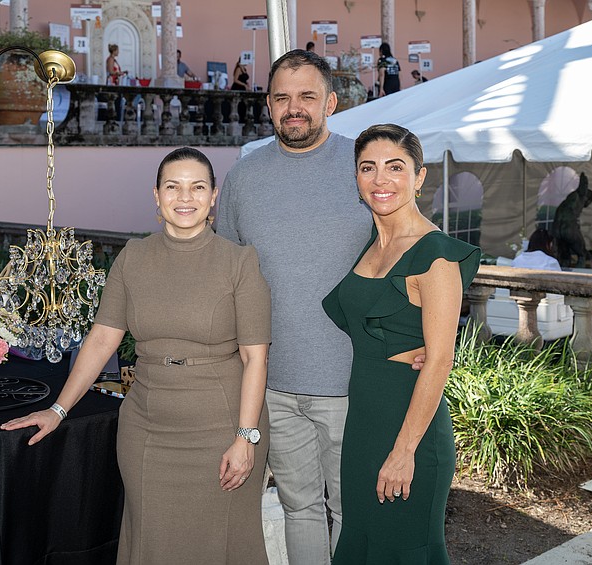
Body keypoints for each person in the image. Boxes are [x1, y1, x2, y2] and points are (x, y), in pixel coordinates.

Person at [1, 148, 272, 564]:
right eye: (173, 187)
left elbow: (256, 359)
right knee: (151, 542)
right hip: (147, 429)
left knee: (222, 543)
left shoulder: (239, 262)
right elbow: (101, 340)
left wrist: (245, 437)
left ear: (214, 196)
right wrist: (58, 409)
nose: (186, 197)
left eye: (198, 187)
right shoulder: (134, 258)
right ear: (156, 195)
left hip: (222, 428)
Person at [216, 49, 375, 564]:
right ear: (268, 104)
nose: (295, 108)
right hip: (273, 383)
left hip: (353, 379)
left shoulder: (365, 169)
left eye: (307, 95)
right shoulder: (243, 177)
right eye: (283, 97)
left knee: (355, 511)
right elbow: (225, 278)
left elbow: (410, 262)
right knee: (298, 506)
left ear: (330, 101)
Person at [321, 124, 480, 563]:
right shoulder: (373, 244)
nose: (380, 179)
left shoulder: (437, 256)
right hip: (363, 428)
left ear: (420, 176)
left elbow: (440, 360)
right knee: (360, 544)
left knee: (402, 550)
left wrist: (404, 451)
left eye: (395, 167)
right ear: (356, 178)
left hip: (410, 434)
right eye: (367, 168)